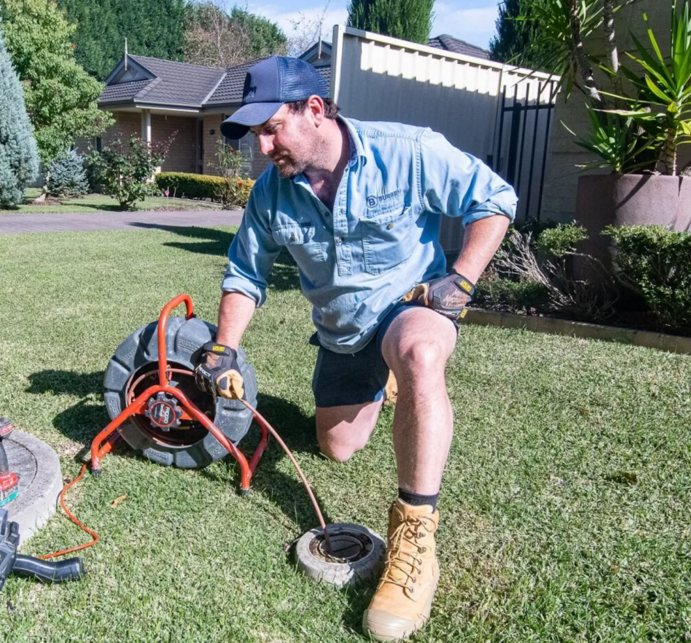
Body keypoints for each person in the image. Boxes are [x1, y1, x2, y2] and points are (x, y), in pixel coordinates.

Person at [194, 55, 516, 642]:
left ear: (314, 110)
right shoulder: (271, 194)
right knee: (337, 447)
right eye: (256, 135)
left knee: (419, 351)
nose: (263, 148)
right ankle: (383, 381)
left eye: (271, 129)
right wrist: (223, 350)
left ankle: (415, 536)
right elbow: (245, 274)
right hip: (342, 335)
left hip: (410, 308)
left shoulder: (408, 151)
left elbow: (493, 200)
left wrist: (463, 278)